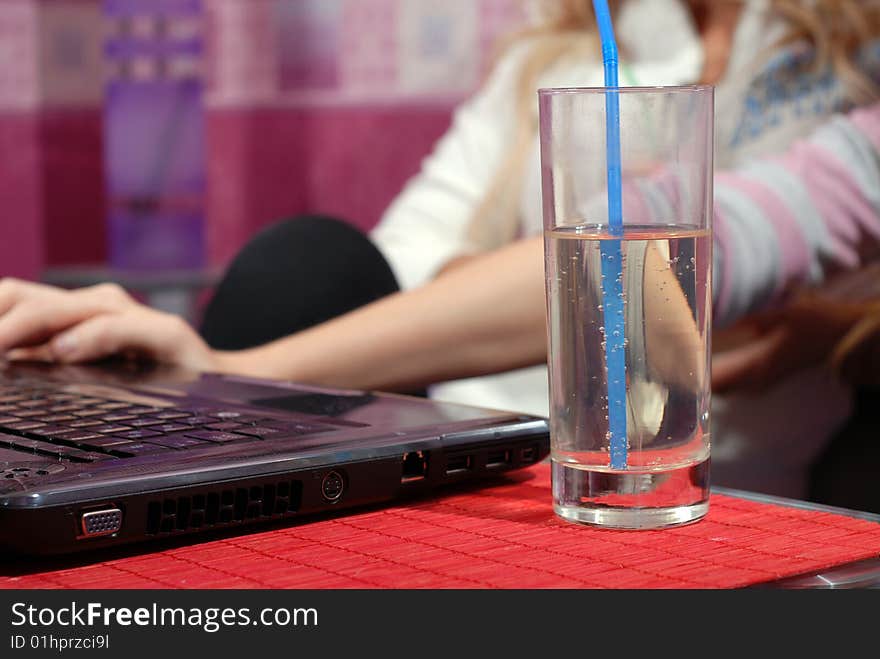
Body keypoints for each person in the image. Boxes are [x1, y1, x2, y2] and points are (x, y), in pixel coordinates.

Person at [1, 0, 879, 499]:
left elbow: (715, 234)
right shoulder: (564, 50)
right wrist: (231, 367)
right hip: (467, 409)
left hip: (694, 458)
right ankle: (169, 429)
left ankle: (203, 409)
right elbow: (414, 253)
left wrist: (842, 330)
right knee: (307, 262)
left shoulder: (845, 75)